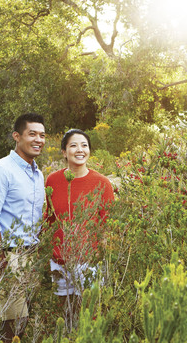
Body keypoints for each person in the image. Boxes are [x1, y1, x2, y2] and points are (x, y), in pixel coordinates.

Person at [0, 113, 46, 343]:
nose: (38, 140)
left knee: (24, 318)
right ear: (17, 136)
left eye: (42, 135)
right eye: (32, 134)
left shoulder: (38, 174)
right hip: (7, 253)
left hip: (30, 253)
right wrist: (2, 262)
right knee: (15, 320)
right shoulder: (0, 171)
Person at [45, 129, 114, 301]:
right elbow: (49, 218)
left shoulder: (102, 183)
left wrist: (98, 256)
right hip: (59, 261)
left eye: (84, 145)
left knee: (90, 312)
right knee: (64, 311)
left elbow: (108, 224)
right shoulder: (52, 180)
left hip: (88, 262)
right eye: (73, 146)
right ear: (64, 152)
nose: (80, 150)